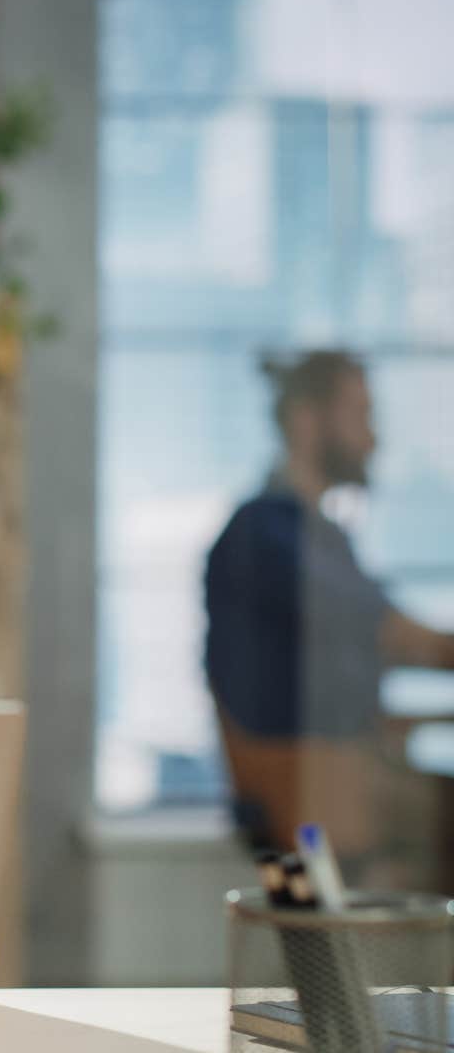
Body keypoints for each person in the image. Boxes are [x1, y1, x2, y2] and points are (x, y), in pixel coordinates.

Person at [204, 351, 454, 867]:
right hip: (317, 791)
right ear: (306, 420)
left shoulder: (322, 537)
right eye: (360, 414)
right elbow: (391, 634)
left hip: (346, 773)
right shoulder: (267, 533)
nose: (374, 438)